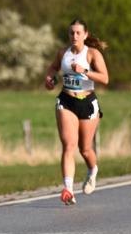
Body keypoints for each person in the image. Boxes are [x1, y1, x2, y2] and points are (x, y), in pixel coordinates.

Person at [44, 19, 109, 205]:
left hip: (87, 103)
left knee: (85, 149)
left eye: (78, 33)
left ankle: (92, 170)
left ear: (85, 35)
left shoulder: (92, 54)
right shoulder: (62, 53)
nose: (74, 36)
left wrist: (85, 71)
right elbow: (53, 68)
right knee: (69, 146)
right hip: (66, 101)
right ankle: (68, 190)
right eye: (71, 33)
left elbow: (105, 78)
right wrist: (49, 79)